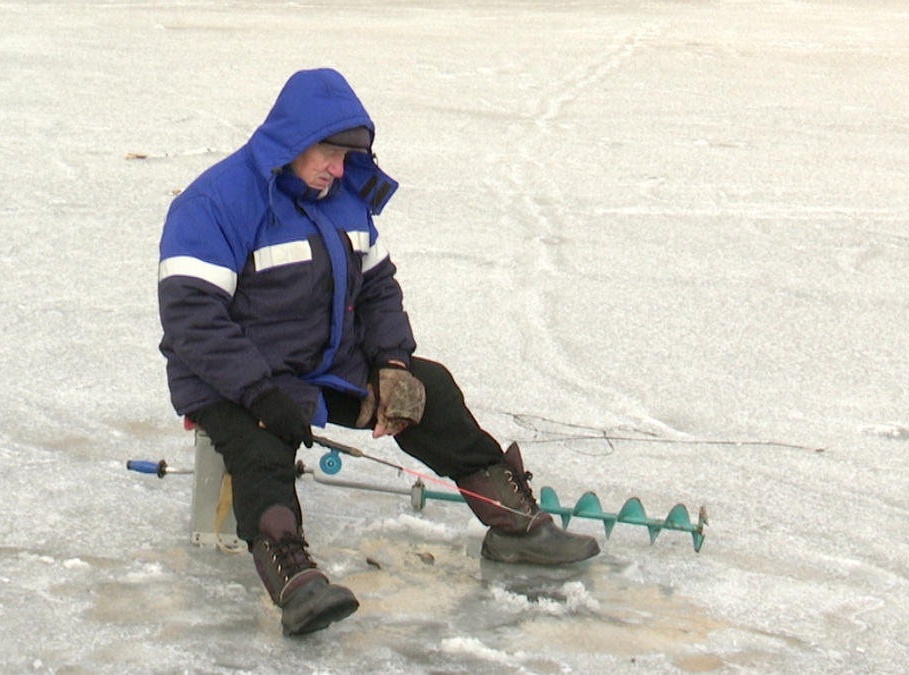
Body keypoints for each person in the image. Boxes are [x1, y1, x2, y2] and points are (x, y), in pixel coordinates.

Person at [157, 68, 599, 637]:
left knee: (430, 391)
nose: (339, 170)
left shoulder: (344, 199)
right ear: (292, 141)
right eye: (329, 154)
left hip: (324, 366)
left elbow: (379, 289)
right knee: (261, 445)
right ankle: (295, 579)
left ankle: (514, 524)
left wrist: (392, 364)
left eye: (348, 158)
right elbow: (192, 319)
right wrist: (260, 392)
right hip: (232, 377)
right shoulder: (214, 203)